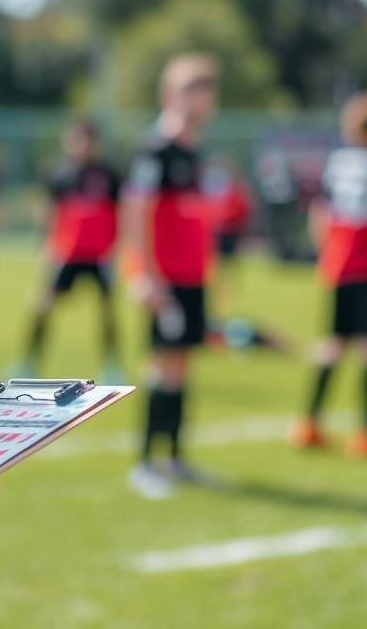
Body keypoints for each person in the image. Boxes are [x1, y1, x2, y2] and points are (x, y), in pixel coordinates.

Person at [122, 53, 220, 500]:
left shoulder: (195, 153)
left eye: (204, 90)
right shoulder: (155, 150)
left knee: (182, 366)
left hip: (193, 277)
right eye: (190, 89)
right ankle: (145, 464)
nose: (199, 99)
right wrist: (145, 276)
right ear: (170, 95)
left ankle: (175, 458)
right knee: (161, 366)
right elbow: (136, 214)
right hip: (165, 279)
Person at [291, 91, 367, 458]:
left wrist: (330, 253)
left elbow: (319, 217)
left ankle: (309, 423)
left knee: (335, 345)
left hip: (339, 267)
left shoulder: (336, 164)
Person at [19, 120, 124, 381]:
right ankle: (29, 363)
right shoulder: (58, 174)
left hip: (100, 255)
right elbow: (51, 213)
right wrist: (46, 245)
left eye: (84, 139)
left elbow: (122, 213)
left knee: (107, 309)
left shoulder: (109, 175)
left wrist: (118, 247)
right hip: (67, 253)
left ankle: (112, 366)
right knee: (43, 304)